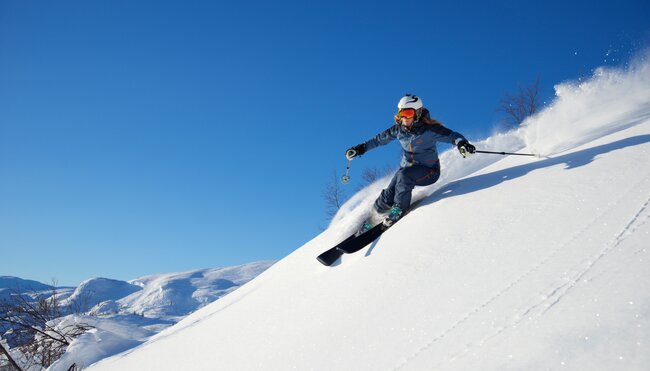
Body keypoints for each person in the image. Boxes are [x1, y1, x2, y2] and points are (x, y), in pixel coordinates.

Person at [346, 94, 476, 233]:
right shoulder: (398, 130)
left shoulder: (430, 129)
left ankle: (398, 209)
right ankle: (373, 219)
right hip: (406, 170)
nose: (404, 118)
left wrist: (462, 144)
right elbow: (378, 140)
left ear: (418, 113)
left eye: (408, 113)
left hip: (429, 171)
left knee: (403, 176)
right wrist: (360, 148)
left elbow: (452, 136)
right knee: (389, 193)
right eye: (402, 113)